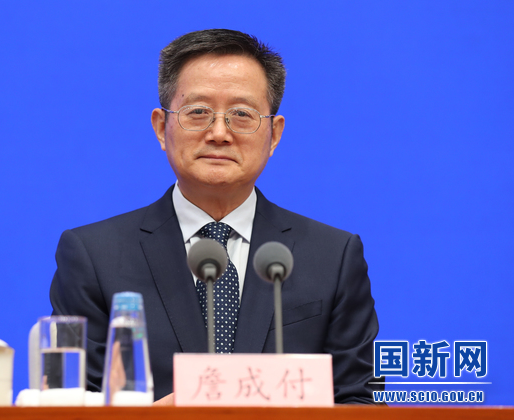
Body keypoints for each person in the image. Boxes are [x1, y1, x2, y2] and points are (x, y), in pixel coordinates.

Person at [50, 29, 381, 405]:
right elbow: (68, 401)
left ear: (274, 134)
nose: (219, 133)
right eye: (198, 113)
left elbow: (361, 400)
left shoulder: (333, 256)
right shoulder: (93, 256)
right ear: (161, 128)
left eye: (241, 114)